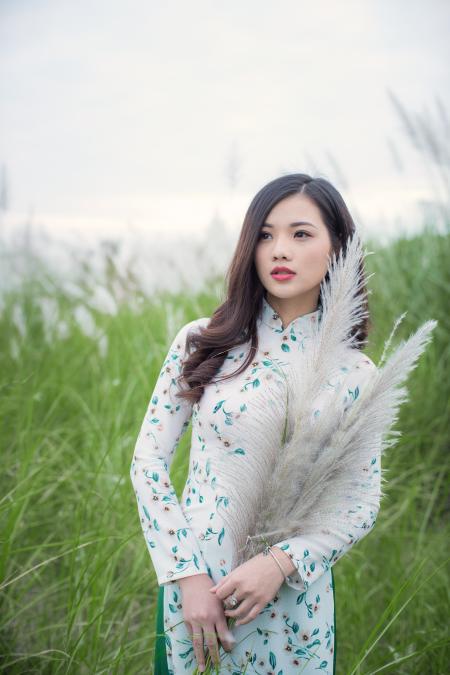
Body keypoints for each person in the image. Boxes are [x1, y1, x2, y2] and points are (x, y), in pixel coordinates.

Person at [130, 173, 382, 673]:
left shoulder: (356, 374)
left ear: (338, 248)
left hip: (292, 600)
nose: (279, 250)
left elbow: (359, 503)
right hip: (197, 592)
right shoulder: (204, 341)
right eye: (265, 235)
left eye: (300, 234)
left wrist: (280, 564)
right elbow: (148, 462)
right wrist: (185, 576)